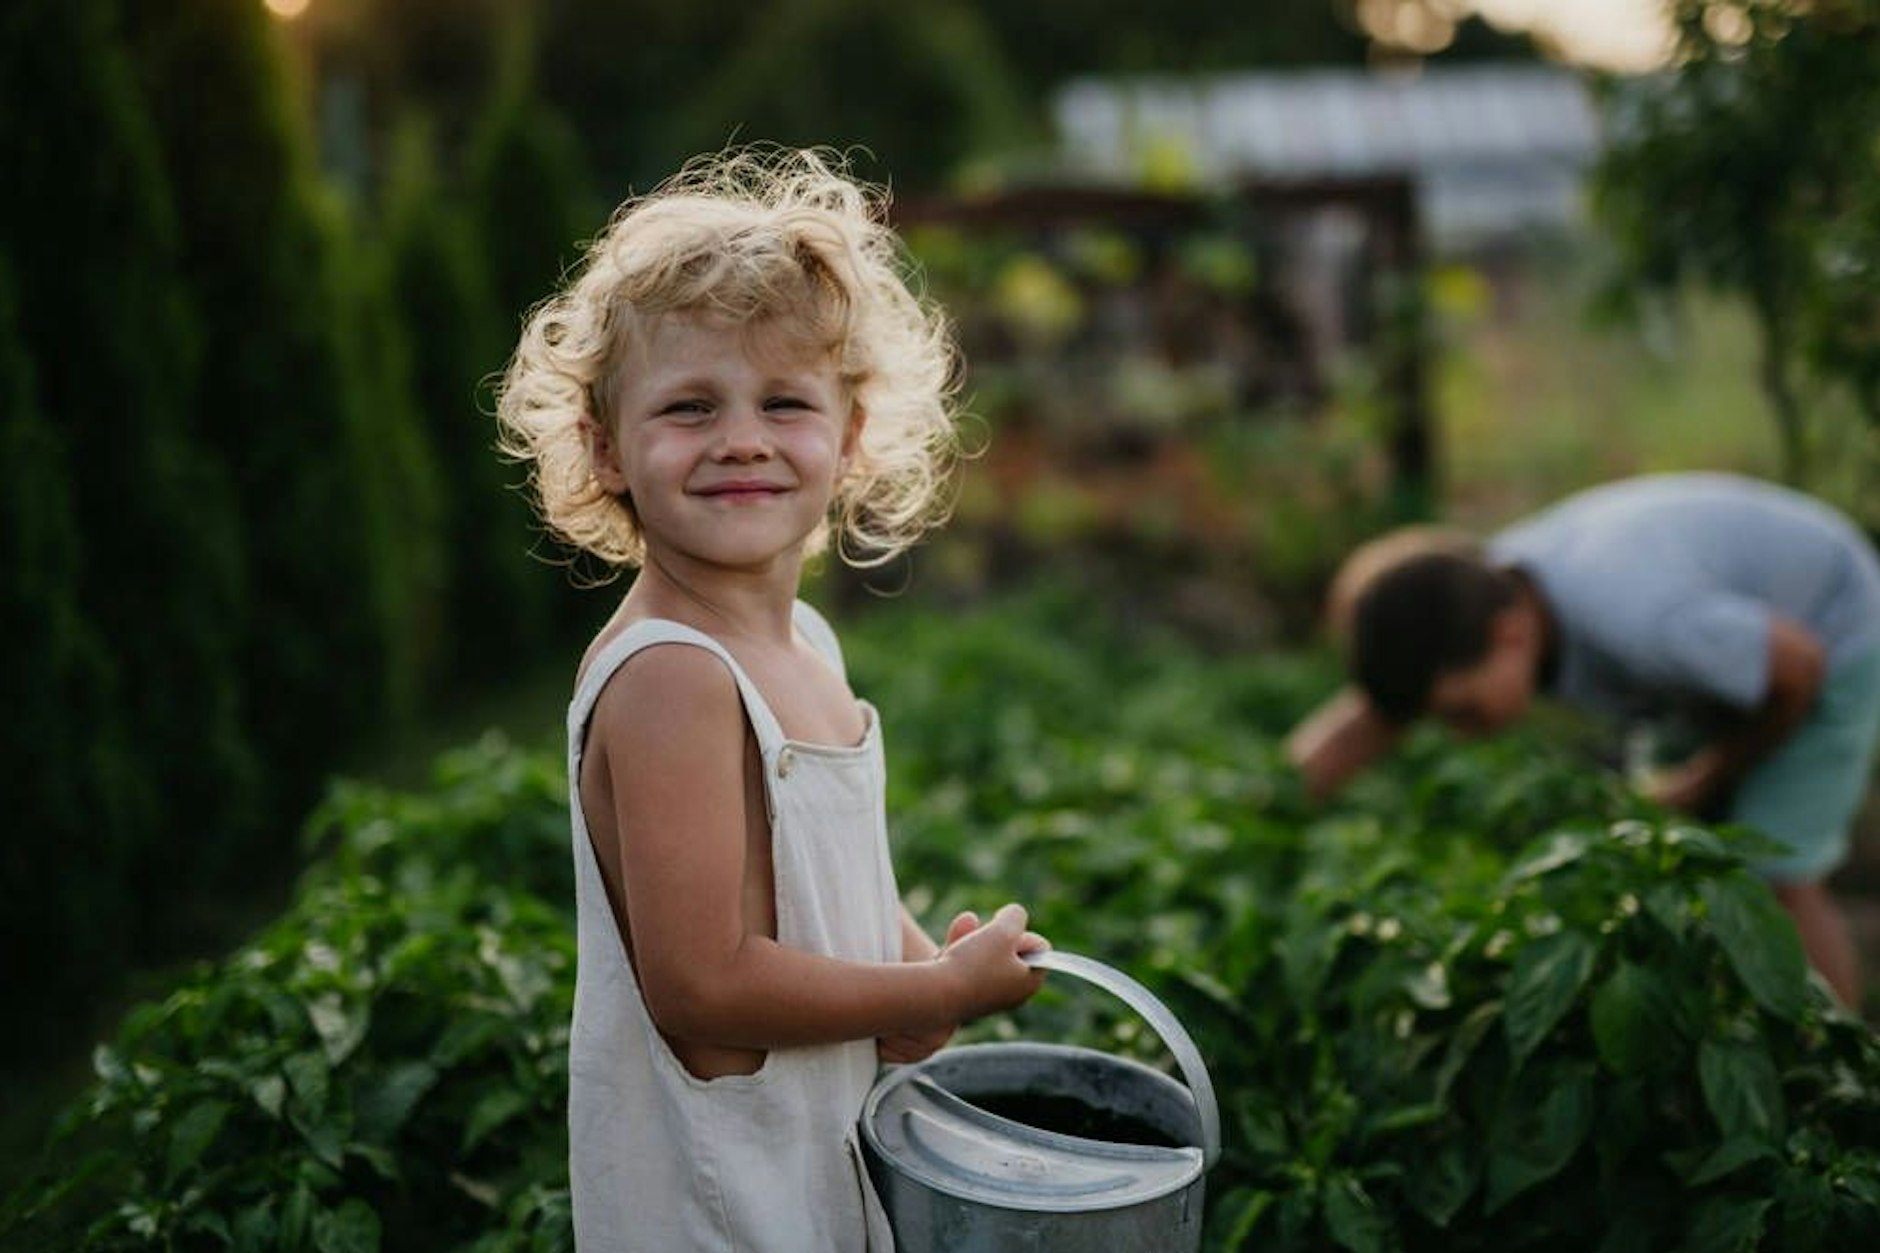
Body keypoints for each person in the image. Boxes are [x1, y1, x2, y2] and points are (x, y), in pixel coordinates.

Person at [495, 147, 1048, 1252]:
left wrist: (917, 967)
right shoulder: (673, 676)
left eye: (784, 402)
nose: (741, 437)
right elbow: (703, 987)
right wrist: (928, 990)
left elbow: (824, 878)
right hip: (718, 1206)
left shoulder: (804, 643)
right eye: (690, 406)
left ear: (848, 440)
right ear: (606, 448)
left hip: (803, 1174)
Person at [1287, 472, 1880, 1008]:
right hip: (1723, 653)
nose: (1460, 734)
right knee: (1674, 854)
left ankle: (1842, 1064)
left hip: (1834, 628)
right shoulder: (1474, 597)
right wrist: (1280, 796)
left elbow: (1799, 669)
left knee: (1775, 870)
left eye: (1462, 713)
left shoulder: (1643, 621)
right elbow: (1380, 715)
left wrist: (1708, 774)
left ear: (1511, 635)